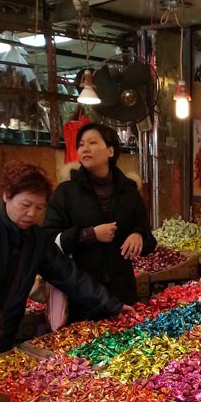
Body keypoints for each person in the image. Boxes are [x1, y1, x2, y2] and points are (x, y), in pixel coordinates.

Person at [0, 161, 125, 366]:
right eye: (25, 205)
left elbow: (68, 275)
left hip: (6, 330)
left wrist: (113, 304)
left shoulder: (36, 239)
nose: (32, 213)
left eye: (40, 207)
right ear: (7, 196)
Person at [42, 122, 156, 318]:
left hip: (123, 294)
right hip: (83, 298)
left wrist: (138, 236)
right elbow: (48, 240)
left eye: (92, 142)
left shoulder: (129, 193)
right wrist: (89, 234)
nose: (85, 149)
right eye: (81, 145)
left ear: (110, 151)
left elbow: (149, 240)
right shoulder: (66, 193)